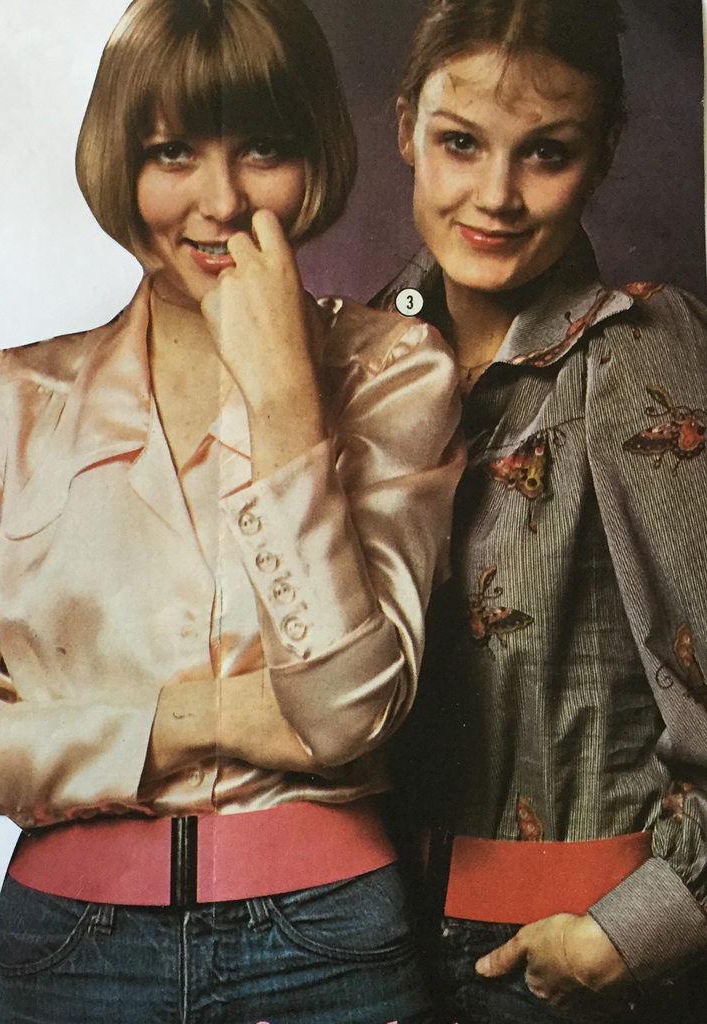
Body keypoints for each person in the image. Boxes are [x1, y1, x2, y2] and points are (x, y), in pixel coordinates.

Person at [0, 1, 463, 1022]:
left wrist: (283, 403)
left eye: (263, 149)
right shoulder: (13, 400)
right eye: (172, 152)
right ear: (120, 160)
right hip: (71, 947)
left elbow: (346, 711)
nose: (221, 200)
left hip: (325, 938)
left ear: (314, 157)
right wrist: (200, 721)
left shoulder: (394, 372)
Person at [373, 0, 707, 1021]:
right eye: (459, 143)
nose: (495, 195)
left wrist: (636, 927)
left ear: (602, 152)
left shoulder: (639, 351)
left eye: (545, 153)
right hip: (355, 945)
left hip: (558, 956)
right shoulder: (354, 358)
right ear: (405, 130)